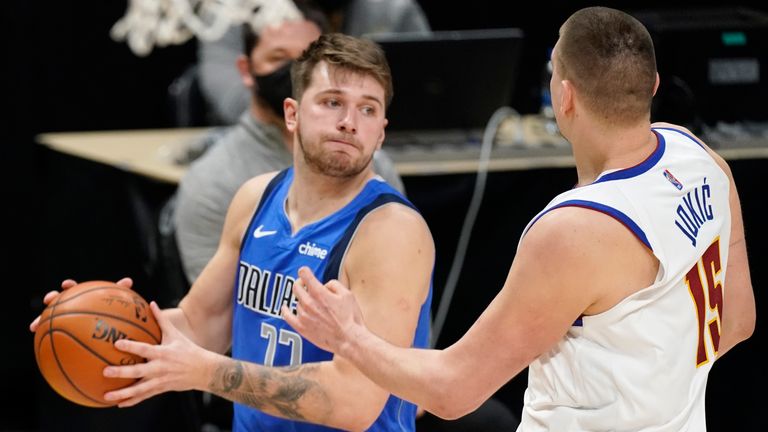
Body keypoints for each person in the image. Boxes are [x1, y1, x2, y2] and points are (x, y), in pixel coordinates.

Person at [283, 7, 757, 431]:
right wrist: (655, 381)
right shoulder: (701, 157)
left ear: (564, 97)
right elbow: (739, 322)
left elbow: (453, 390)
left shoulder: (575, 230)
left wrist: (348, 337)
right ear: (653, 85)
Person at [32, 33, 435, 431]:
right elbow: (200, 321)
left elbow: (355, 402)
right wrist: (102, 324)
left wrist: (207, 372)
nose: (349, 123)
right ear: (292, 113)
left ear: (381, 132)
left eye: (367, 110)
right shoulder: (255, 197)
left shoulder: (391, 232)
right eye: (333, 103)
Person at [174, 0, 405, 284]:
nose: (293, 72)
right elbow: (211, 316)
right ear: (291, 112)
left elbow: (405, 309)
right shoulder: (216, 184)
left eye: (304, 60)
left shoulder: (376, 169)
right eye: (279, 58)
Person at [198, 0, 431, 124]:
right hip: (264, 143)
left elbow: (429, 86)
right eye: (281, 55)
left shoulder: (394, 9)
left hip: (377, 141)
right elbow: (229, 96)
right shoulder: (232, 10)